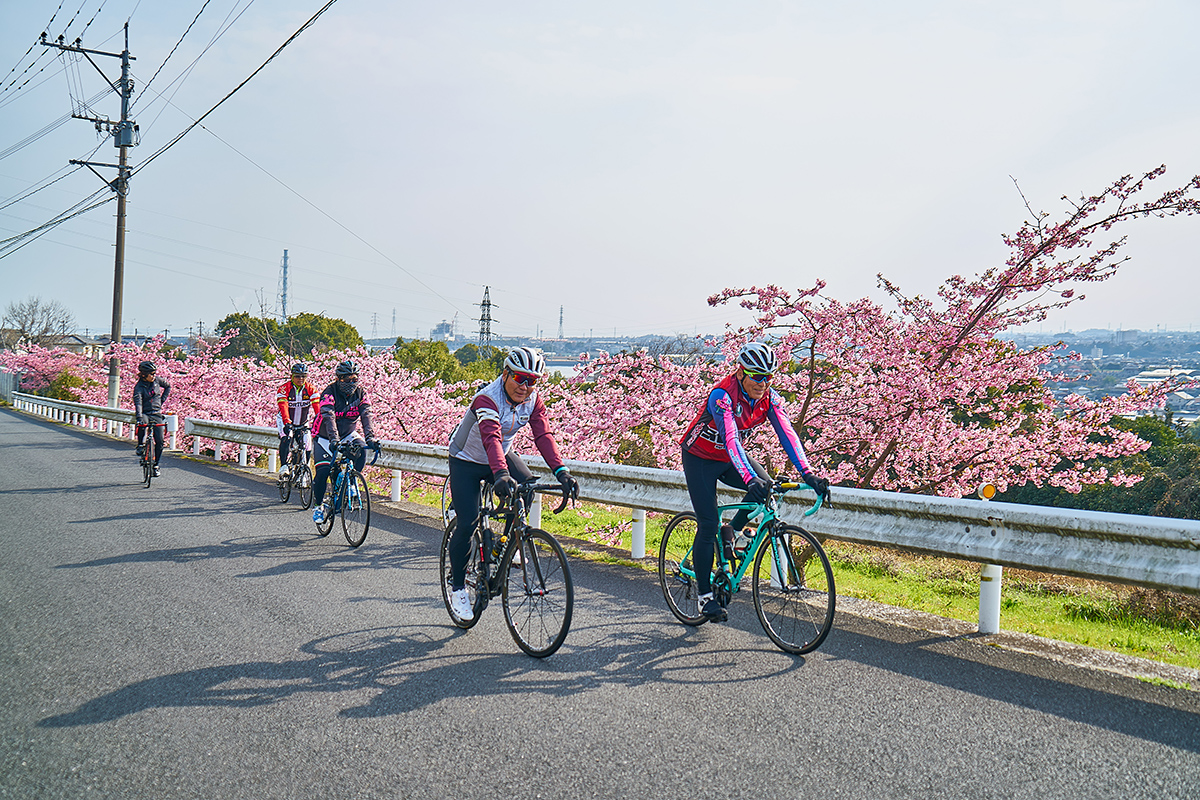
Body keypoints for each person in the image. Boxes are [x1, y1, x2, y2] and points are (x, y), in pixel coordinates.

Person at [680, 341, 831, 622]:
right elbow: (731, 439)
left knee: (767, 487)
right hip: (700, 458)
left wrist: (808, 473)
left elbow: (788, 435)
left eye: (769, 377)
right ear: (741, 372)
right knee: (708, 522)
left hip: (728, 458)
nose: (763, 383)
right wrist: (748, 478)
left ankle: (733, 531)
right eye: (757, 376)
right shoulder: (722, 395)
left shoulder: (769, 399)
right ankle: (704, 598)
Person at [444, 346, 579, 621]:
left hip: (500, 457)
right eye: (519, 378)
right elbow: (491, 437)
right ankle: (458, 588)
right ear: (505, 373)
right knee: (468, 520)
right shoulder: (487, 398)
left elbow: (543, 436)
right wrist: (501, 475)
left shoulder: (533, 400)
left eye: (532, 381)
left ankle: (505, 542)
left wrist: (562, 471)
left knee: (528, 484)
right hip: (467, 459)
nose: (525, 386)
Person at [311, 360, 380, 525]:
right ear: (338, 379)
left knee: (362, 450)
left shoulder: (361, 393)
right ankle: (318, 506)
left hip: (348, 433)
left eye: (354, 379)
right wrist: (334, 439)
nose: (351, 383)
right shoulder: (329, 392)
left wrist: (370, 438)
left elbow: (366, 414)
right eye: (346, 379)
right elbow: (328, 416)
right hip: (325, 436)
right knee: (323, 472)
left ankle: (352, 481)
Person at [275, 362, 319, 472]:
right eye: (297, 376)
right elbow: (283, 406)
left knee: (307, 445)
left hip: (303, 422)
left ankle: (303, 471)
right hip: (285, 420)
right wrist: (287, 422)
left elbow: (317, 408)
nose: (301, 379)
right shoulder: (284, 389)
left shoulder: (311, 389)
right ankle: (284, 466)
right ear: (291, 377)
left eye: (303, 376)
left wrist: (320, 422)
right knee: (287, 438)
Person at [132, 360, 171, 477]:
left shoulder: (157, 381)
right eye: (151, 374)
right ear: (144, 375)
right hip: (144, 412)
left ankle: (156, 465)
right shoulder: (139, 387)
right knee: (142, 424)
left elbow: (168, 386)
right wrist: (139, 416)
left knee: (160, 441)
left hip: (156, 413)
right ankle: (140, 445)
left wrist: (162, 400)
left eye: (154, 373)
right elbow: (138, 403)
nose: (154, 376)